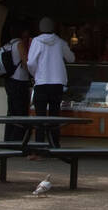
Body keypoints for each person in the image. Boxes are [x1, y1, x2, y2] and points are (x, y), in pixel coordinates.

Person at [27, 16, 75, 152]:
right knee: (55, 115)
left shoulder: (36, 41)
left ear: (40, 28)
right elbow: (71, 58)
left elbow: (30, 62)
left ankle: (39, 147)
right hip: (57, 83)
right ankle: (55, 146)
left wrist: (35, 73)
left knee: (40, 117)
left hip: (42, 83)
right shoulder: (60, 42)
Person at [0, 22, 33, 144]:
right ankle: (18, 141)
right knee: (21, 112)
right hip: (20, 81)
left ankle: (8, 139)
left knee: (11, 111)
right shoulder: (19, 44)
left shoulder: (7, 45)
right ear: (22, 32)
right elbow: (26, 63)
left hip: (9, 81)